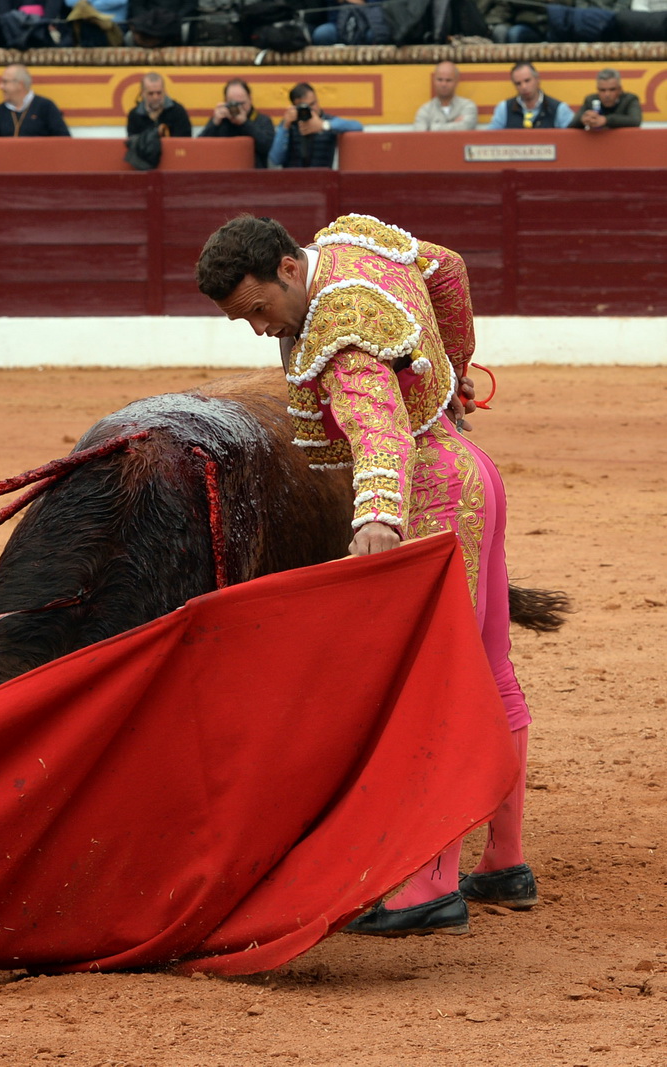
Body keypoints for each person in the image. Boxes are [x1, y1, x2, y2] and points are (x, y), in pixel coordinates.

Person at [195, 213, 536, 936]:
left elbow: (379, 429)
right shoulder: (354, 243)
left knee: (434, 685)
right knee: (492, 670)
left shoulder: (337, 333)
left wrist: (376, 516)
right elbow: (445, 265)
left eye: (258, 309)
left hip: (431, 496)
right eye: (244, 321)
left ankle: (431, 886)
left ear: (289, 269)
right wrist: (450, 366)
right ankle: (504, 859)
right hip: (473, 474)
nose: (260, 330)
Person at [268, 82, 362, 169]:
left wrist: (323, 125)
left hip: (323, 177)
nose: (312, 109)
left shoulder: (327, 121)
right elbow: (275, 160)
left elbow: (357, 126)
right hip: (294, 179)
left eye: (313, 104)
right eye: (305, 107)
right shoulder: (290, 124)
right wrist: (285, 126)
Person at [198, 79, 274, 169]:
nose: (238, 107)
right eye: (233, 103)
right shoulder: (221, 120)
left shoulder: (262, 120)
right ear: (225, 101)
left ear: (250, 99)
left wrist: (244, 123)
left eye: (241, 103)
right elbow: (200, 149)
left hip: (254, 175)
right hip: (223, 174)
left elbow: (268, 148)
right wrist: (214, 123)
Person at [0, 64, 70, 138]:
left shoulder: (46, 107)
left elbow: (64, 141)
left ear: (20, 84)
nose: (0, 87)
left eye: (5, 82)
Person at [488, 62, 574, 130]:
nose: (524, 87)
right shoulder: (504, 108)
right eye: (518, 84)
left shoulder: (559, 109)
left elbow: (572, 140)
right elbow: (490, 138)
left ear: (537, 79)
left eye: (527, 81)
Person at [413, 62, 478, 131]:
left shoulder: (468, 106)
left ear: (456, 82)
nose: (444, 84)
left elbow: (465, 126)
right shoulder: (425, 110)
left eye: (448, 80)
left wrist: (431, 128)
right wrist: (455, 125)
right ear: (434, 81)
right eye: (440, 80)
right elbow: (420, 136)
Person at [569, 68, 642, 130]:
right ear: (597, 90)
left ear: (620, 90)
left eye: (612, 89)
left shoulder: (630, 99)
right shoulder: (591, 100)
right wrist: (582, 120)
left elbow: (635, 121)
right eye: (602, 90)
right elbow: (571, 127)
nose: (607, 94)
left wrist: (606, 120)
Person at [126, 72, 191, 139]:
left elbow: (185, 143)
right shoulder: (134, 115)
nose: (155, 97)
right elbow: (132, 144)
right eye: (151, 93)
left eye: (159, 93)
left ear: (165, 91)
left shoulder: (178, 112)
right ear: (142, 93)